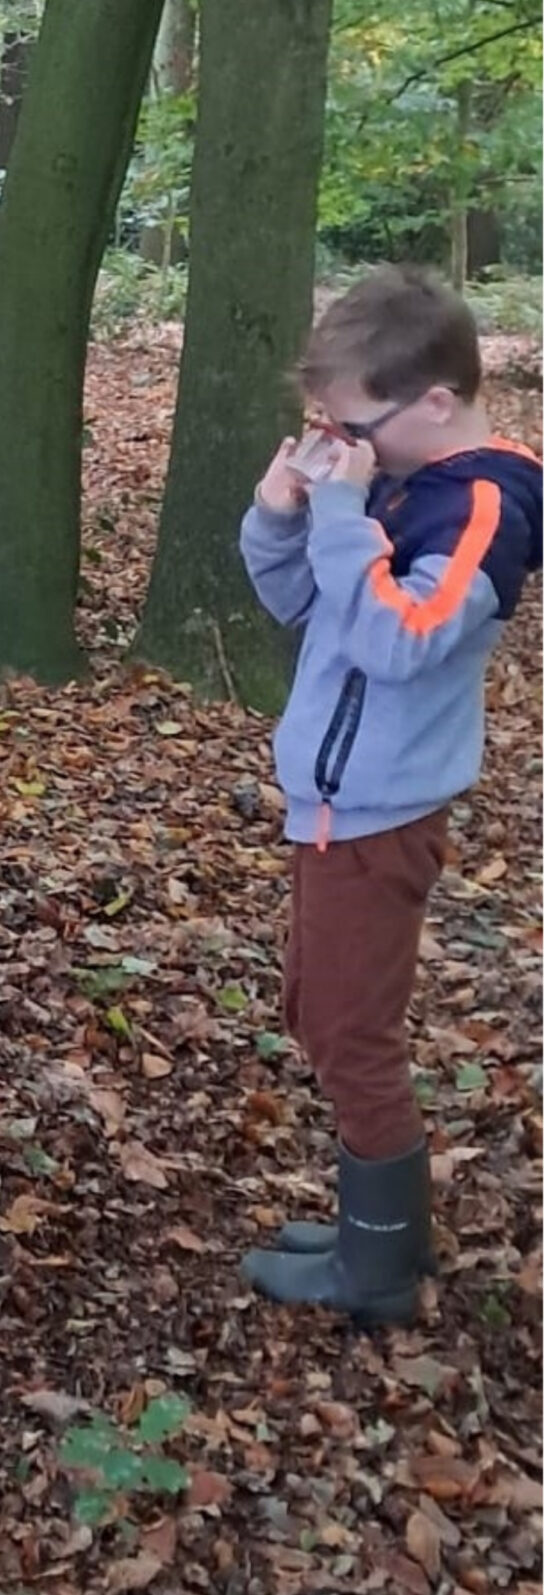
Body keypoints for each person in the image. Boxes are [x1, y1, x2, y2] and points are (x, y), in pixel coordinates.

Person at [237, 266, 540, 1327]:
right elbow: (298, 605)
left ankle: (376, 1270)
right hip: (330, 803)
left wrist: (339, 508)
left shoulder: (487, 506)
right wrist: (285, 515)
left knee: (349, 1033)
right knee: (318, 1014)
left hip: (380, 815)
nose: (338, 441)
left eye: (351, 421)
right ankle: (377, 1228)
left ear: (436, 403)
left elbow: (396, 639)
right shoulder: (393, 479)